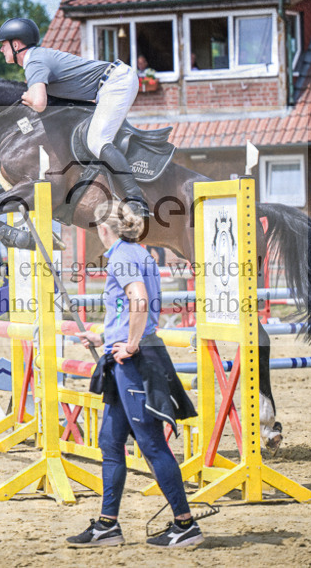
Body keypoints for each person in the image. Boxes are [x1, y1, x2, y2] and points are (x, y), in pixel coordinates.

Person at [69, 201, 202, 548]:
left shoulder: (122, 256)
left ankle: (185, 523)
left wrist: (128, 344)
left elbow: (139, 302)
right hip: (126, 357)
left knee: (151, 444)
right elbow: (128, 307)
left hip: (135, 360)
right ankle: (107, 525)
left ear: (103, 228)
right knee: (110, 443)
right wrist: (105, 336)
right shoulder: (138, 252)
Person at [0, 17, 148, 218]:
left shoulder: (34, 62)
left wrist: (29, 97)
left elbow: (39, 103)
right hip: (108, 85)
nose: (0, 50)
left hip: (116, 83)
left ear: (16, 45)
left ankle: (136, 200)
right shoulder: (37, 59)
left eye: (3, 45)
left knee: (97, 141)